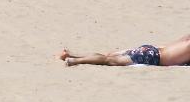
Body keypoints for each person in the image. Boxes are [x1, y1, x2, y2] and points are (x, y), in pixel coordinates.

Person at [59, 34, 190, 67]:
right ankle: (74, 61)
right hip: (153, 57)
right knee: (109, 61)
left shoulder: (186, 40)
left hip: (152, 49)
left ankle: (71, 56)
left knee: (109, 55)